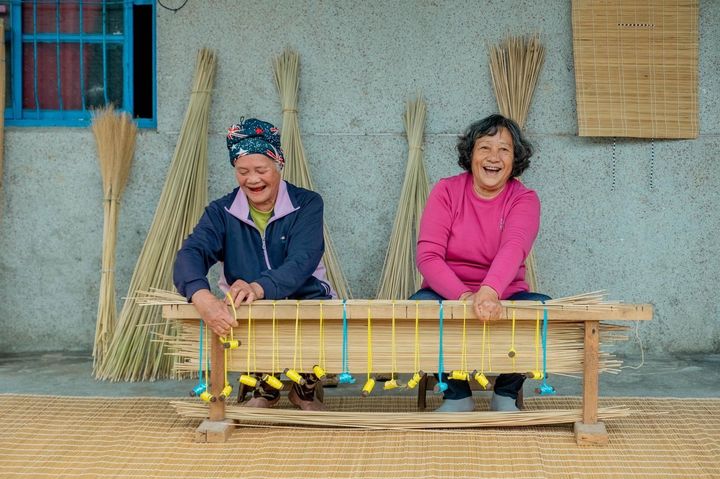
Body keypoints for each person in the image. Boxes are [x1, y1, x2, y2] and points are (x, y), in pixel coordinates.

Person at [174, 118, 333, 411]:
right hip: (248, 308)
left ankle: (304, 390)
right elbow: (190, 254)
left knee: (314, 325)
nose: (253, 180)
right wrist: (202, 297)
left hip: (304, 297)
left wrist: (259, 287)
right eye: (243, 171)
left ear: (279, 164)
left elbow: (302, 261)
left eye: (261, 170)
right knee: (246, 316)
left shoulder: (307, 204)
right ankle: (265, 388)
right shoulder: (221, 212)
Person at [412, 114, 550, 412]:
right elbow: (428, 255)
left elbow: (514, 248)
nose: (493, 157)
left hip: (504, 292)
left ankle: (506, 394)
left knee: (546, 311)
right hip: (448, 293)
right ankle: (457, 396)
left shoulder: (524, 199)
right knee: (418, 308)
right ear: (471, 154)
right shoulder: (446, 191)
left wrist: (488, 292)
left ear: (515, 159)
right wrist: (464, 297)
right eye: (485, 147)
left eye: (504, 149)